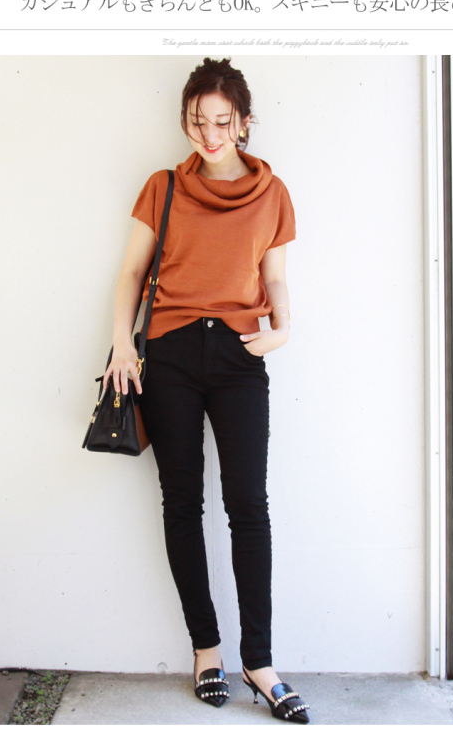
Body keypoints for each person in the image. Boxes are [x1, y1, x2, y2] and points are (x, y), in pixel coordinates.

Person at [102, 57, 310, 724]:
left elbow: (274, 276)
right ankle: (206, 649)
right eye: (198, 121)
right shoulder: (163, 186)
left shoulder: (272, 192)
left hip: (240, 355)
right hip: (169, 355)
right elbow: (130, 274)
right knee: (182, 502)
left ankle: (260, 661)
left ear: (244, 121)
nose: (210, 134)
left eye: (223, 121)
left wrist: (283, 328)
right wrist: (123, 343)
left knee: (249, 505)